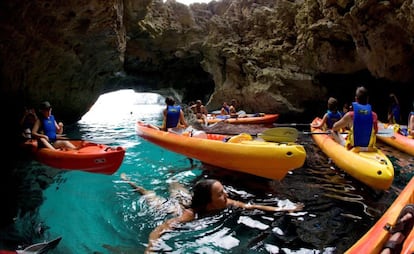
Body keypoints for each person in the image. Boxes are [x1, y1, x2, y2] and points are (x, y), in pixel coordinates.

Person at [124, 178, 305, 253]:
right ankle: (132, 183)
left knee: (177, 187)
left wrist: (285, 210)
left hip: (194, 202)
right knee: (153, 199)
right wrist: (150, 249)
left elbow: (251, 206)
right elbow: (159, 230)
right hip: (178, 209)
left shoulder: (227, 203)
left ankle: (173, 182)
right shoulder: (189, 216)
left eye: (223, 191)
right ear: (209, 202)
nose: (225, 195)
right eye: (220, 194)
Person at [332, 86, 378, 150]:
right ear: (367, 99)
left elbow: (334, 127)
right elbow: (375, 131)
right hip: (370, 148)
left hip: (354, 148)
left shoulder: (350, 115)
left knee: (333, 131)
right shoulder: (374, 115)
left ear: (356, 99)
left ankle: (343, 146)